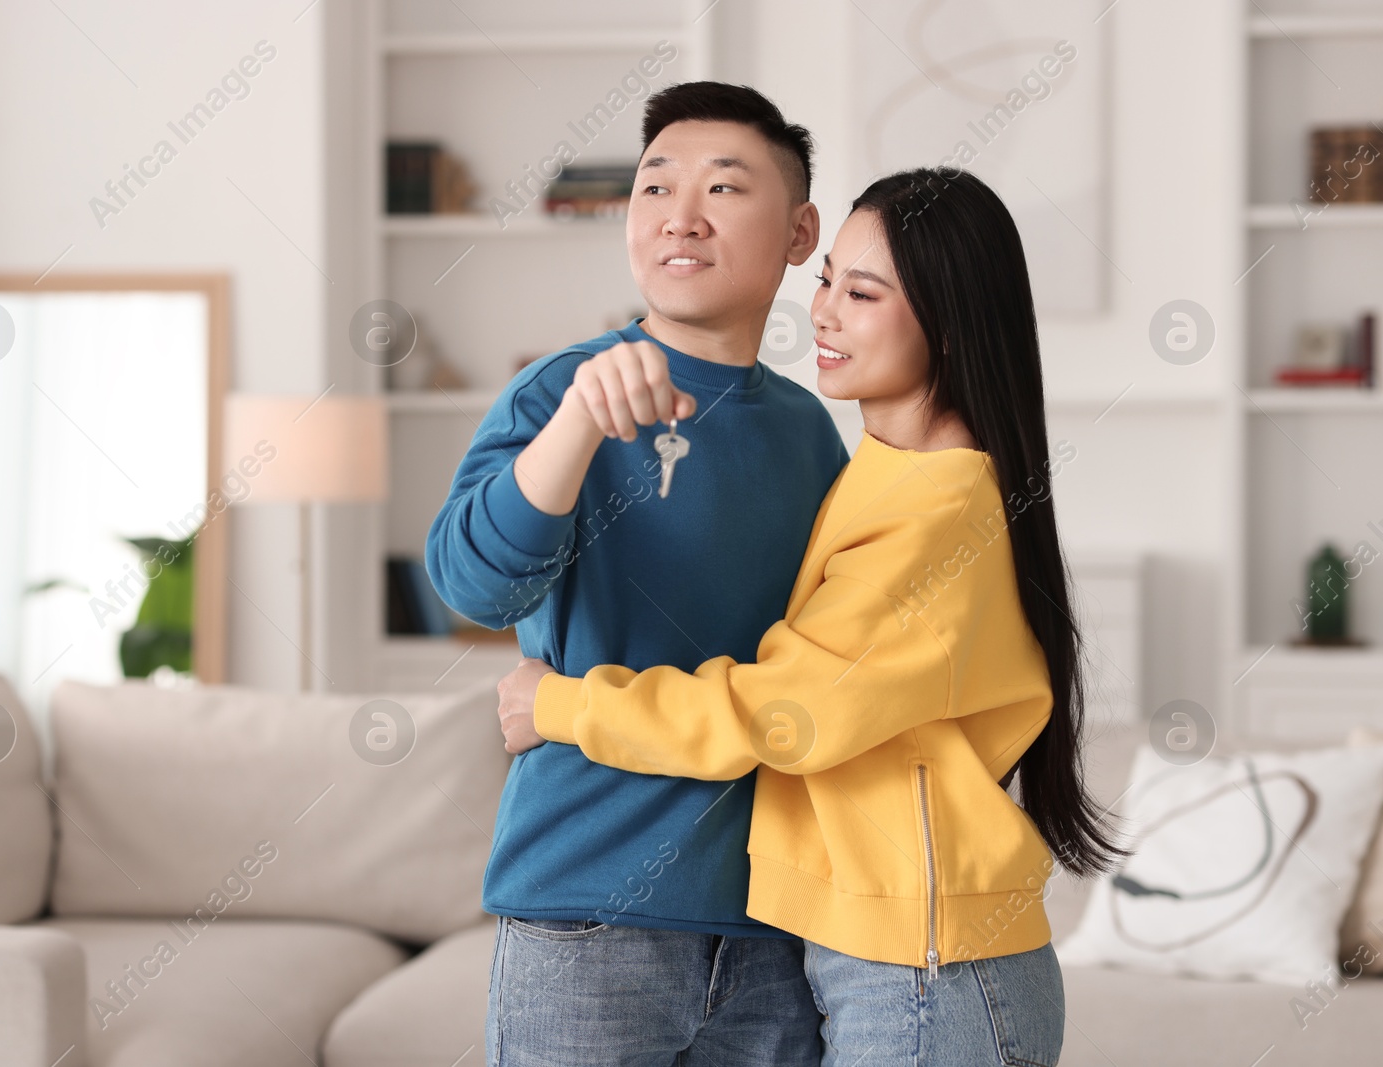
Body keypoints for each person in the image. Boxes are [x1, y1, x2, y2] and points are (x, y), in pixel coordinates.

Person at [493, 167, 1130, 1067]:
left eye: (862, 293)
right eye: (827, 277)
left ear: (950, 324)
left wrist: (557, 706)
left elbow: (782, 709)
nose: (822, 311)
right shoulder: (874, 466)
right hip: (878, 955)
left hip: (926, 970)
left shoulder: (938, 507)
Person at [426, 82, 846, 1064]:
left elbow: (817, 677)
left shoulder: (809, 434)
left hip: (773, 929)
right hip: (583, 916)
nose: (678, 215)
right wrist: (578, 422)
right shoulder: (558, 394)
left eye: (723, 187)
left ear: (798, 231)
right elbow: (475, 587)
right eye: (654, 187)